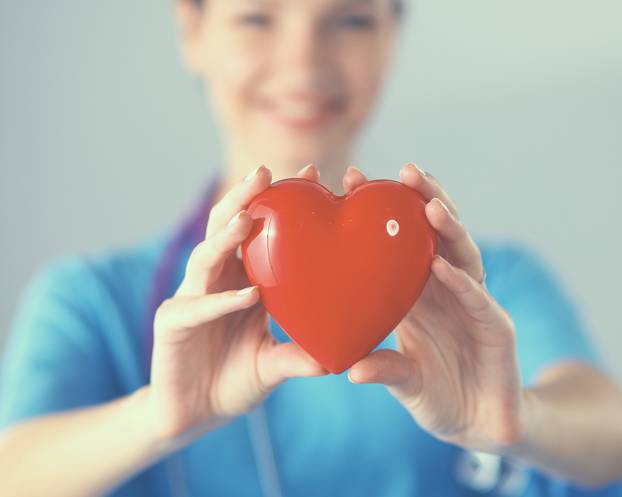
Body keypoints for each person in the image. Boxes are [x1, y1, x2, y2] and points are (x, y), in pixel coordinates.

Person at [0, 1, 621, 496]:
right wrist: (158, 418)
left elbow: (609, 432)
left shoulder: (484, 287)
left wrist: (522, 421)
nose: (303, 63)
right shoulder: (90, 301)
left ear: (389, 38)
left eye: (350, 19)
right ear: (192, 30)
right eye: (256, 16)